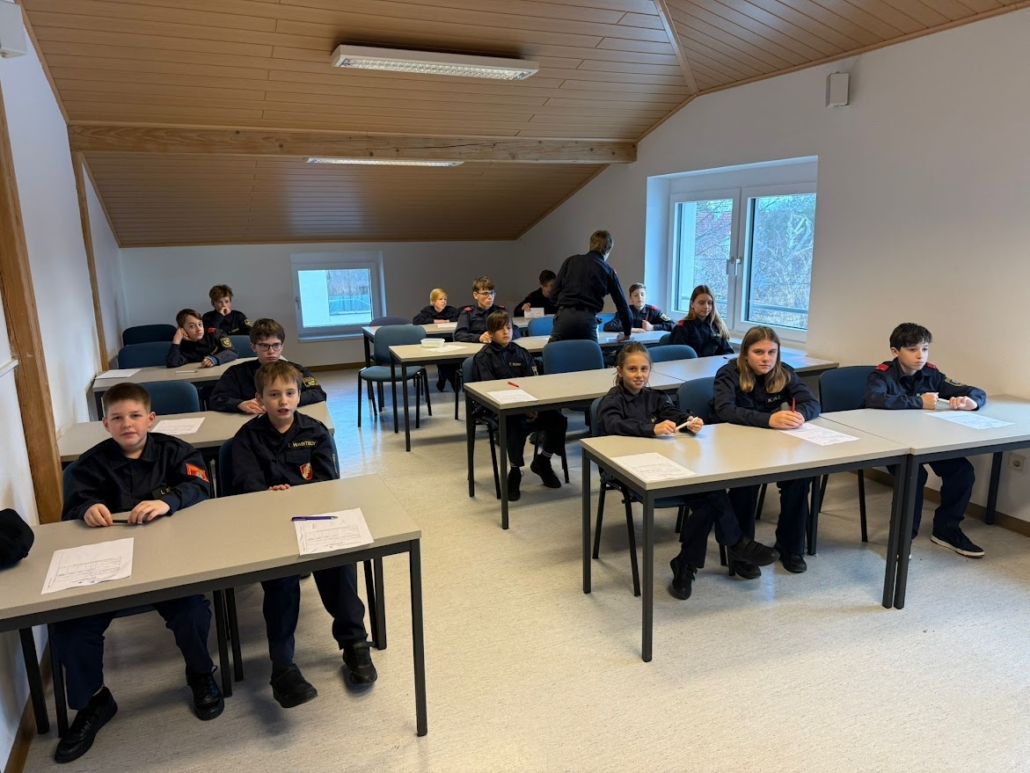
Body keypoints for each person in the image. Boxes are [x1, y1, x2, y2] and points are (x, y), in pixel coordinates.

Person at [54, 383, 222, 763]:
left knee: (192, 611)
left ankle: (200, 673)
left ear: (151, 418)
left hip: (165, 559)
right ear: (105, 424)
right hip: (108, 566)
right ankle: (94, 701)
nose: (127, 424)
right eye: (117, 418)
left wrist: (168, 502)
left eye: (134, 416)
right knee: (71, 629)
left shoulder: (176, 452)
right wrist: (85, 509)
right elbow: (73, 508)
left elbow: (200, 485)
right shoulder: (90, 464)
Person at [230, 361, 377, 708]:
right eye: (273, 395)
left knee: (340, 565)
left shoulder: (315, 430)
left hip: (313, 517)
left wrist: (297, 494)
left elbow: (328, 482)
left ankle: (354, 643)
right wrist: (267, 494)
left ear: (299, 395)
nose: (283, 401)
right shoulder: (246, 438)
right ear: (259, 399)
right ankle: (282, 667)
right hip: (269, 524)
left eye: (290, 393)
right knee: (281, 584)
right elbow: (244, 484)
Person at [598, 344, 777, 599]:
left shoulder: (655, 397)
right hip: (628, 470)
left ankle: (686, 564)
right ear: (619, 371)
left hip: (664, 466)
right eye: (632, 369)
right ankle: (736, 542)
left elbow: (674, 414)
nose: (639, 375)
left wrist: (689, 421)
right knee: (710, 500)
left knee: (708, 498)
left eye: (644, 369)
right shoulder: (612, 400)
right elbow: (612, 424)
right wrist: (651, 429)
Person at [864, 322, 987, 557]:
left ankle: (946, 529)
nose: (920, 356)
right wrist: (919, 402)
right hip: (891, 442)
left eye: (925, 349)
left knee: (962, 472)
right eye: (912, 349)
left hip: (926, 441)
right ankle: (902, 539)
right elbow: (875, 399)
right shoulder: (882, 375)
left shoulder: (932, 374)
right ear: (895, 351)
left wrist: (971, 402)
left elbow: (975, 391)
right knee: (914, 475)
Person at [713, 326, 820, 576]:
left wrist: (799, 415)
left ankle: (790, 546)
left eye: (772, 352)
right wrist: (768, 420)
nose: (766, 358)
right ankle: (742, 551)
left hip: (769, 444)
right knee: (745, 483)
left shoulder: (783, 372)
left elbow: (812, 403)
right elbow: (724, 410)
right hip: (732, 444)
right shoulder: (729, 373)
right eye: (758, 352)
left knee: (799, 478)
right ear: (745, 353)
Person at [471, 311, 566, 500]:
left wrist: (534, 406)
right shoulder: (483, 358)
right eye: (500, 329)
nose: (506, 332)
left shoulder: (521, 352)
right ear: (490, 333)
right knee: (515, 425)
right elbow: (489, 391)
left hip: (528, 404)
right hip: (498, 408)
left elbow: (534, 383)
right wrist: (522, 409)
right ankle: (515, 471)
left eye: (509, 327)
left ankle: (543, 461)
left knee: (558, 420)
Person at [207, 318, 326, 413]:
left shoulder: (296, 370)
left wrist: (291, 400)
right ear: (253, 347)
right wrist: (239, 404)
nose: (271, 351)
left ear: (282, 346)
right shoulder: (236, 372)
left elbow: (318, 393)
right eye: (264, 346)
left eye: (276, 345)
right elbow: (216, 399)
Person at [549, 230, 633, 343]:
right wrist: (627, 333)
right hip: (587, 319)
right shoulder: (609, 271)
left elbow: (553, 294)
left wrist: (564, 306)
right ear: (609, 249)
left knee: (555, 353)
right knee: (590, 353)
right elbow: (622, 305)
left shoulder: (570, 261)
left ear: (590, 244)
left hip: (564, 317)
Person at [413, 289, 460, 391]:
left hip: (450, 340)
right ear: (433, 301)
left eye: (445, 299)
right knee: (444, 357)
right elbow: (416, 320)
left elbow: (460, 318)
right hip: (435, 341)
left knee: (451, 357)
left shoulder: (451, 310)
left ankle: (443, 377)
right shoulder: (428, 311)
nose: (443, 301)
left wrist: (447, 321)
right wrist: (435, 321)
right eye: (440, 299)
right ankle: (452, 379)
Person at [669, 284, 734, 357]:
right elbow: (679, 355)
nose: (706, 307)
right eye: (701, 303)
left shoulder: (717, 326)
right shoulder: (683, 327)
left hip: (714, 363)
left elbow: (728, 352)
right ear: (692, 304)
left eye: (709, 303)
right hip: (691, 363)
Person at [454, 277, 520, 344]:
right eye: (485, 294)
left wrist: (499, 337)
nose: (490, 297)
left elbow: (515, 330)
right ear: (475, 295)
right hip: (477, 347)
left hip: (499, 346)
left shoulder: (501, 311)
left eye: (492, 293)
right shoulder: (468, 313)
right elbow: (459, 334)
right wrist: (479, 337)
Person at [166, 308, 238, 369]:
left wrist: (214, 359)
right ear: (182, 329)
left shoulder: (215, 334)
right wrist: (176, 340)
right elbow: (173, 363)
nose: (199, 329)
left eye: (200, 324)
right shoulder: (183, 345)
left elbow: (232, 352)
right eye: (192, 326)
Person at [602, 283, 673, 333]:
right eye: (636, 295)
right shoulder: (625, 311)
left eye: (642, 294)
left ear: (646, 297)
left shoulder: (654, 311)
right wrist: (631, 329)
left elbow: (672, 325)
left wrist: (652, 327)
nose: (640, 297)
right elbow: (608, 326)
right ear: (630, 299)